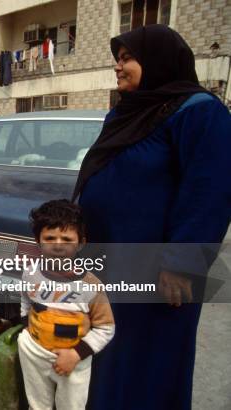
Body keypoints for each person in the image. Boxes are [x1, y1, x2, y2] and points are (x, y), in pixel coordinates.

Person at [72, 25, 231, 410]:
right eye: (117, 58)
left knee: (150, 364)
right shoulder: (127, 113)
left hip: (158, 274)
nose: (118, 66)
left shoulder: (200, 113)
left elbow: (210, 191)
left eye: (127, 58)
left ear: (159, 59)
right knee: (110, 353)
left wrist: (183, 263)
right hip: (111, 266)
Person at [17, 199, 114, 410]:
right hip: (34, 351)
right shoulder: (30, 272)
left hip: (74, 359)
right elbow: (25, 299)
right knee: (36, 403)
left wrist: (77, 354)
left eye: (66, 239)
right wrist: (26, 324)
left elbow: (106, 328)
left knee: (71, 406)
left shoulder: (91, 286)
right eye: (50, 238)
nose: (58, 245)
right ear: (38, 241)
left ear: (81, 243)